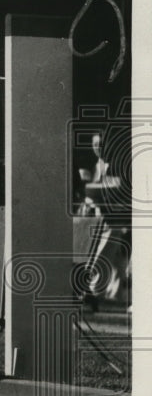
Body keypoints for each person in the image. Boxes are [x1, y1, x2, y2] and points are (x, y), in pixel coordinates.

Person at [79, 132, 130, 309]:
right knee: (117, 263)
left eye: (100, 144)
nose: (97, 147)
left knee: (100, 257)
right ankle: (122, 298)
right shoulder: (97, 164)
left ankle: (91, 294)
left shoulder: (115, 165)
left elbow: (115, 188)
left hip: (114, 219)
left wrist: (89, 187)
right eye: (95, 144)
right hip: (102, 217)